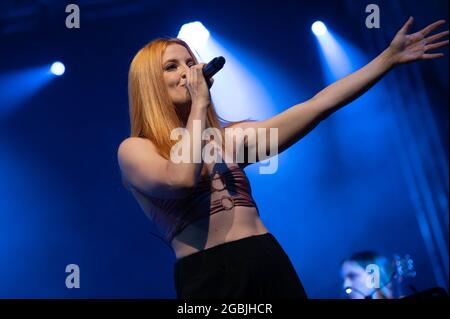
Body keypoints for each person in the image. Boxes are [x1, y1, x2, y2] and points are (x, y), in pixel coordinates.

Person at [117, 17, 448, 299]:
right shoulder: (135, 149)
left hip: (264, 258)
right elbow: (181, 178)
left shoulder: (227, 140)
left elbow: (316, 107)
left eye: (190, 62)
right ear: (149, 84)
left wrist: (386, 59)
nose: (188, 72)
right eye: (171, 67)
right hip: (209, 275)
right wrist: (200, 104)